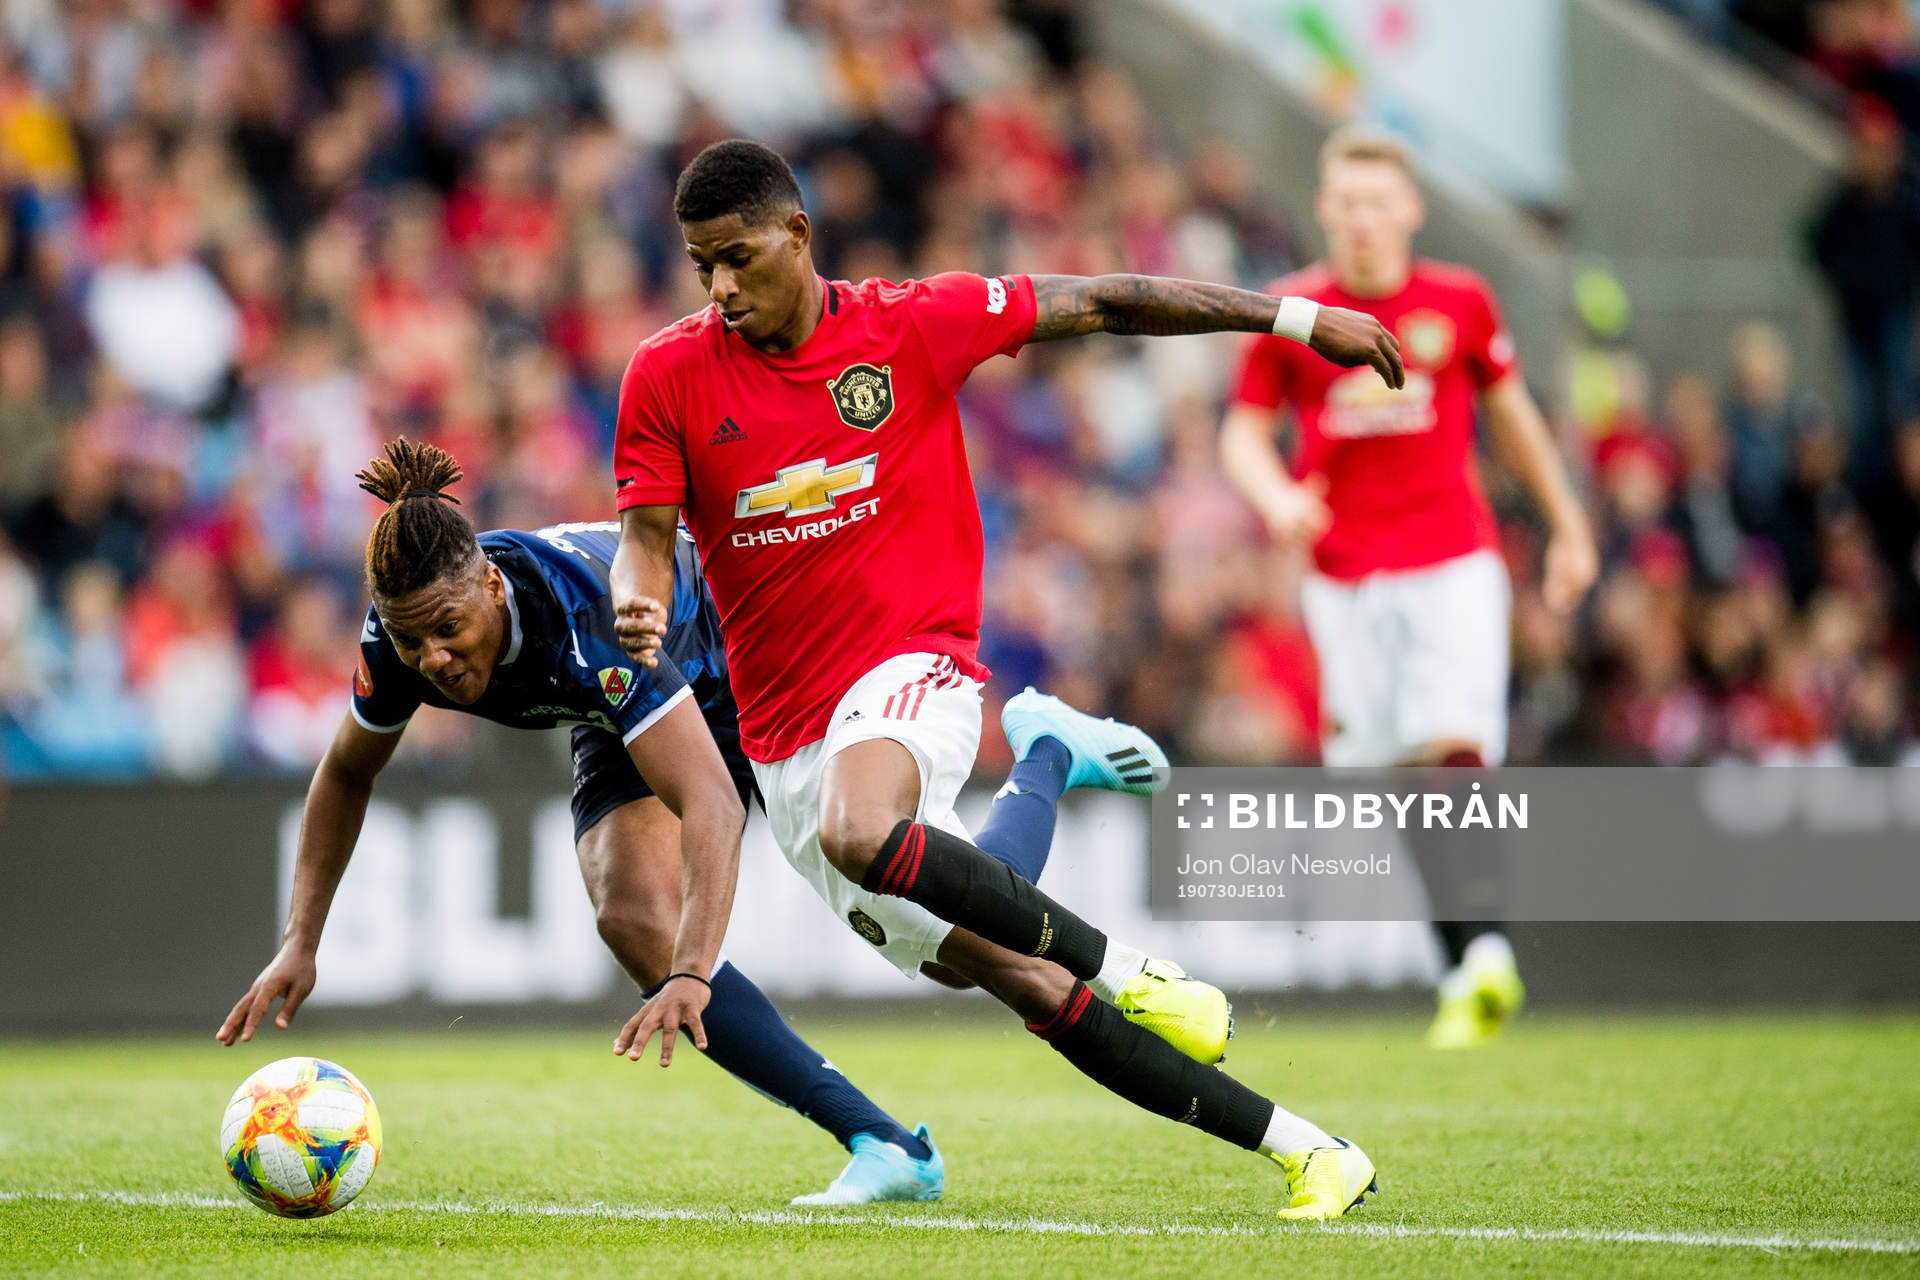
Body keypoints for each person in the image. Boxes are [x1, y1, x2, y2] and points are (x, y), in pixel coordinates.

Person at [610, 138, 1404, 1220]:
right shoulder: (667, 371)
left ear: (798, 233)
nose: (721, 286)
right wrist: (639, 594)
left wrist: (1296, 319)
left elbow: (1111, 300)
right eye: (702, 264)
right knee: (1005, 971)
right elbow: (646, 535)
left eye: (739, 257)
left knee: (864, 829)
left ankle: (1129, 966)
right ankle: (1312, 1148)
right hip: (781, 732)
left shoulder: (913, 323)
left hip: (913, 659)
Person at [217, 438, 948, 1206]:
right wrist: (301, 941)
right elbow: (344, 771)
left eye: (447, 629)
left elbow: (713, 803)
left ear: (493, 587)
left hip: (748, 659)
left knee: (939, 943)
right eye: (411, 640)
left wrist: (694, 973)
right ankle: (884, 1143)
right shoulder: (401, 637)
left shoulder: (591, 620)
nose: (431, 658)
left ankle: (1043, 760)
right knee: (634, 920)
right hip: (621, 699)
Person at [1218, 128, 1599, 1049]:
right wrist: (1275, 497)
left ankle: (1492, 950)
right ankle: (1465, 966)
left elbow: (1512, 419)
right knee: (1395, 780)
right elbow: (1240, 432)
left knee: (1454, 743)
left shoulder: (1459, 302)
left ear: (1409, 210)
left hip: (1451, 562)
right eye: (1344, 202)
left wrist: (1570, 527)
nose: (1360, 219)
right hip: (1343, 579)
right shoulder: (1295, 310)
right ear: (1324, 208)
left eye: (1377, 202)